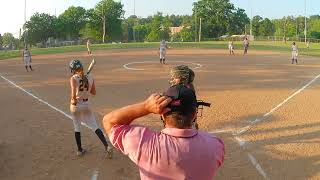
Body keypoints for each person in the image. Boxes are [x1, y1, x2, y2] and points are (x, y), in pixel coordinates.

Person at [102, 85, 224, 180]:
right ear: (194, 114)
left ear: (162, 114)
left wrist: (145, 107)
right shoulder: (216, 146)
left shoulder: (143, 143)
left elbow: (109, 121)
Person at [69, 59, 112, 157]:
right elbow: (94, 93)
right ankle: (107, 146)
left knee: (77, 127)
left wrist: (73, 100)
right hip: (86, 104)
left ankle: (79, 150)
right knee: (94, 126)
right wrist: (86, 86)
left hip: (76, 106)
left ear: (73, 70)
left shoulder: (73, 78)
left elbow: (73, 96)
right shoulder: (91, 77)